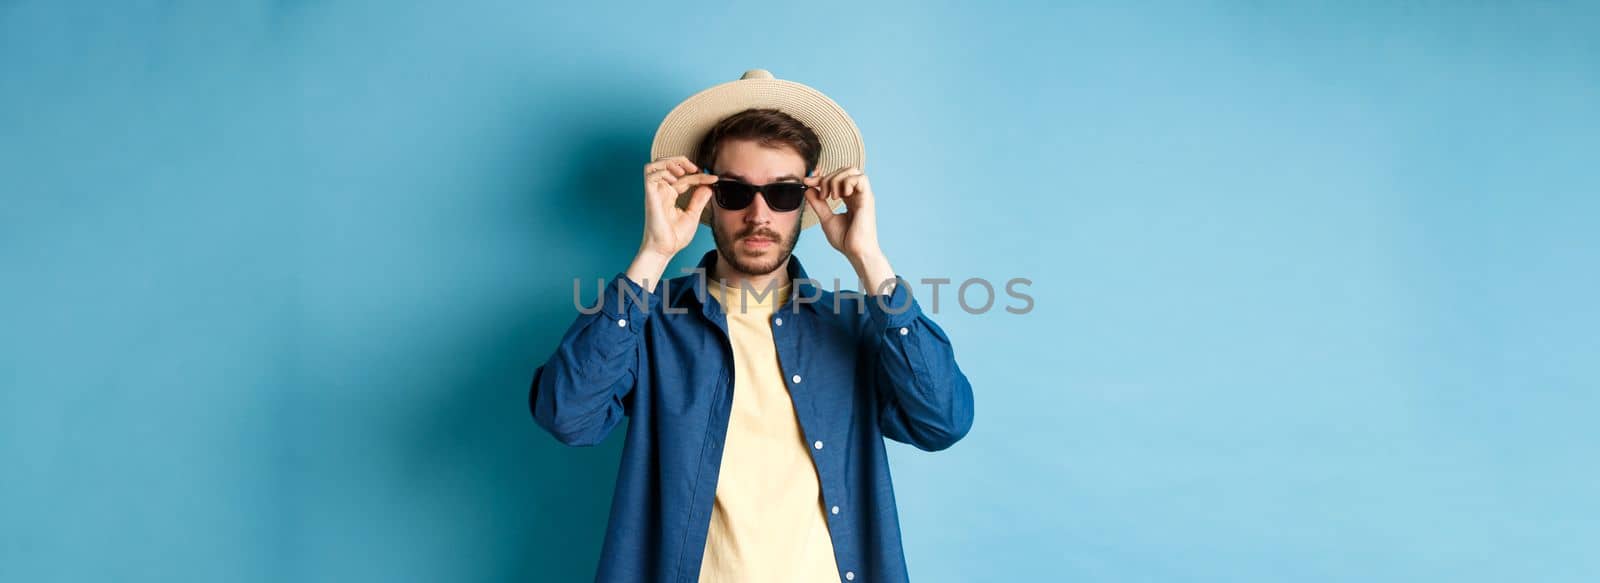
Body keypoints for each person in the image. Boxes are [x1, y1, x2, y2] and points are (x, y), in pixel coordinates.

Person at [529, 69, 975, 583]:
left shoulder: (854, 322)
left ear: (807, 202)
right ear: (706, 196)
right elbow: (567, 416)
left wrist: (868, 258)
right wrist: (653, 253)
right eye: (736, 192)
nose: (759, 214)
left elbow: (942, 422)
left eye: (783, 194)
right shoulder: (649, 323)